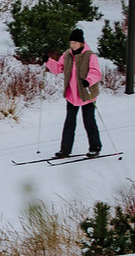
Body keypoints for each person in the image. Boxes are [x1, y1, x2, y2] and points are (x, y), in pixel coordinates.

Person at [44, 28, 103, 158]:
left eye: (75, 43)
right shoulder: (67, 55)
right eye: (71, 42)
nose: (73, 45)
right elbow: (59, 69)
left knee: (89, 121)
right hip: (72, 95)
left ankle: (95, 147)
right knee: (69, 122)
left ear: (81, 43)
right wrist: (48, 61)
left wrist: (88, 81)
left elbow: (96, 72)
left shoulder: (90, 56)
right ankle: (65, 150)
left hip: (87, 94)